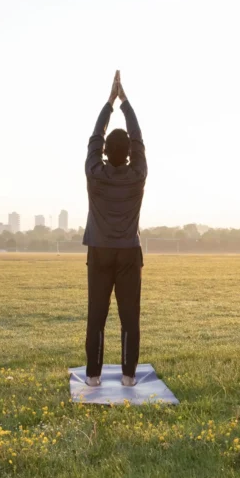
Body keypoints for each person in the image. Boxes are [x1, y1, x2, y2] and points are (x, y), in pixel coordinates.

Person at [83, 70, 148, 387]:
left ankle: (93, 377)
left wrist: (110, 102)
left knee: (97, 314)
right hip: (128, 254)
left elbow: (95, 137)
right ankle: (127, 377)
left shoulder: (95, 173)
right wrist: (125, 103)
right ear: (130, 154)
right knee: (128, 317)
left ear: (107, 152)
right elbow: (138, 139)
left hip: (99, 251)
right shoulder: (137, 174)